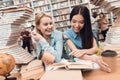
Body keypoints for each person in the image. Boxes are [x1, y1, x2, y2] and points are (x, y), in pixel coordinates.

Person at [63, 5, 111, 72]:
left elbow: (95, 49)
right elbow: (76, 54)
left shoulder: (88, 31)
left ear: (86, 22)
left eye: (81, 22)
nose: (77, 25)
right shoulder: (66, 34)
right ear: (70, 20)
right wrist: (94, 58)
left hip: (91, 63)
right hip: (79, 64)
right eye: (74, 21)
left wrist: (83, 51)